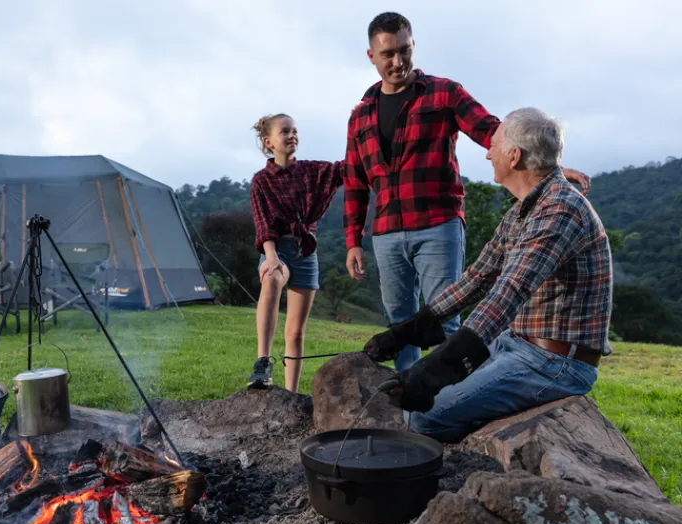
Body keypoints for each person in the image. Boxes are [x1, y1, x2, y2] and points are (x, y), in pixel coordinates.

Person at [343, 12, 590, 373]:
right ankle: (404, 401)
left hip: (437, 225)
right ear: (371, 56)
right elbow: (354, 180)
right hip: (385, 233)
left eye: (403, 51)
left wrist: (544, 165)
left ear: (413, 46)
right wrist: (352, 240)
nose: (397, 62)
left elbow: (491, 130)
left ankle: (448, 401)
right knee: (398, 323)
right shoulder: (360, 115)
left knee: (445, 319)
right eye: (387, 55)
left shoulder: (444, 92)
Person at [364, 107, 613, 443]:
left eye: (493, 146)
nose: (487, 153)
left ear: (514, 156)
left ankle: (468, 461)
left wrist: (440, 367)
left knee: (424, 417)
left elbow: (508, 293)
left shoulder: (562, 210)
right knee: (416, 397)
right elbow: (477, 279)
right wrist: (405, 331)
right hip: (514, 344)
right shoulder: (523, 210)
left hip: (554, 363)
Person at [247, 113, 344, 393]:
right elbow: (263, 223)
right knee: (273, 279)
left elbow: (343, 170)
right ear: (269, 142)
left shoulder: (311, 171)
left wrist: (361, 128)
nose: (292, 136)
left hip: (306, 250)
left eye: (295, 131)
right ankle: (262, 362)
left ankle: (290, 393)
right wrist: (272, 257)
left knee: (296, 332)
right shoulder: (260, 181)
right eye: (285, 132)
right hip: (276, 248)